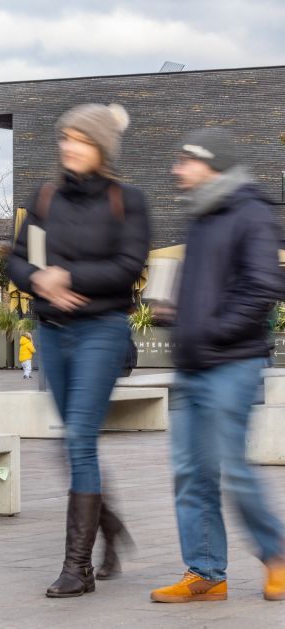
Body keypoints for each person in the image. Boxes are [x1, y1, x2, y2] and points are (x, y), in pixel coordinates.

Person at [7, 103, 150, 598]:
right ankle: (110, 531)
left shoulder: (127, 201)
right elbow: (16, 259)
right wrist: (38, 278)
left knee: (80, 438)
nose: (69, 146)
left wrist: (71, 277)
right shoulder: (45, 197)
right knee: (71, 441)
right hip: (52, 331)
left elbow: (130, 265)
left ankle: (77, 568)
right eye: (65, 137)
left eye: (81, 139)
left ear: (102, 148)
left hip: (102, 331)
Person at [150, 129, 285, 603]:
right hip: (192, 365)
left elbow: (262, 287)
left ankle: (278, 555)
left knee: (232, 467)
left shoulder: (251, 212)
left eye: (184, 161)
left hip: (233, 363)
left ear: (212, 164)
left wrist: (209, 329)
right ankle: (206, 572)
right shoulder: (201, 216)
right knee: (191, 471)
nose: (176, 169)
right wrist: (177, 315)